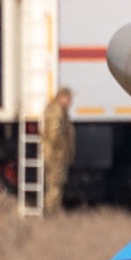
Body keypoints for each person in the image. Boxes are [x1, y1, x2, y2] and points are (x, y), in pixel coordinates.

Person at [42, 87, 75, 215]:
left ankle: (52, 211)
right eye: (68, 98)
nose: (70, 101)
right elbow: (54, 135)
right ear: (61, 98)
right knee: (54, 186)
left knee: (55, 185)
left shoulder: (59, 111)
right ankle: (51, 213)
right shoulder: (56, 112)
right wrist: (62, 150)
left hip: (55, 154)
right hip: (55, 155)